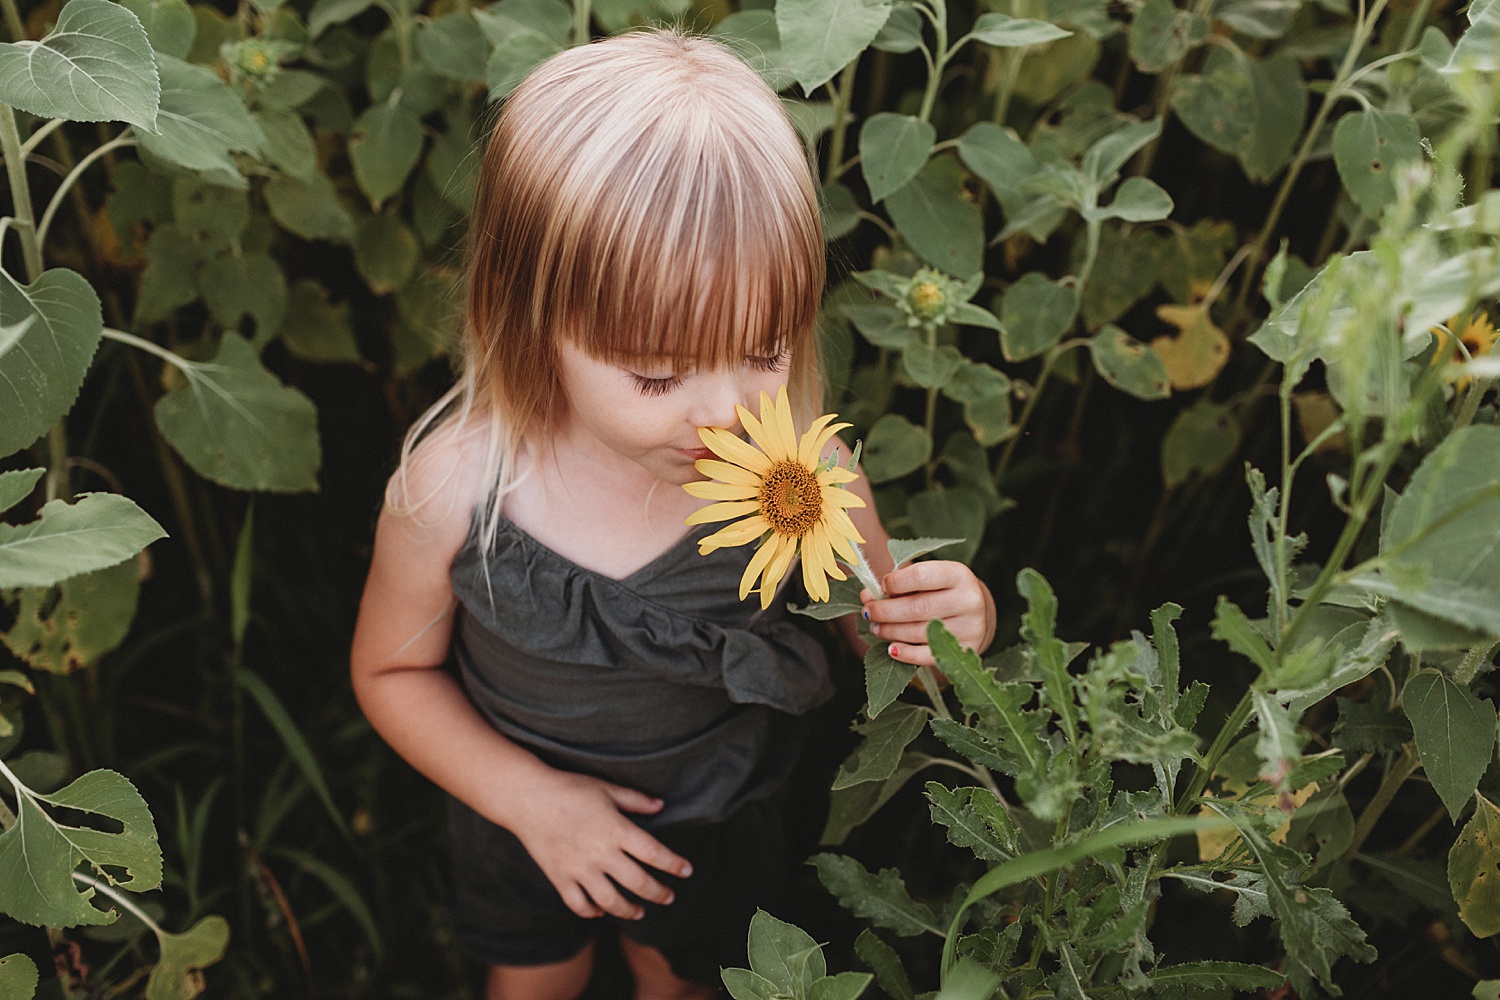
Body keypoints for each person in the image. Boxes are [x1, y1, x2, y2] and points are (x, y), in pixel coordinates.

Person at [349, 28, 998, 1000]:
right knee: (532, 982)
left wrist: (943, 625)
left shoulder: (806, 475)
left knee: (690, 979)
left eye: (766, 351)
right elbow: (390, 671)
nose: (728, 410)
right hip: (520, 820)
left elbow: (873, 634)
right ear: (532, 320)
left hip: (716, 819)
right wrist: (531, 801)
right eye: (658, 373)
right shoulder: (455, 486)